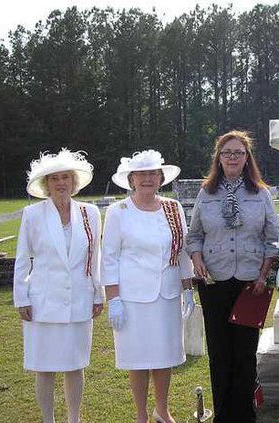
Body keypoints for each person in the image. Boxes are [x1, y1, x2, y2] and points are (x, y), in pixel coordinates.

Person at [186, 130, 279, 423]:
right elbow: (194, 236)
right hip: (214, 281)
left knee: (245, 354)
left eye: (238, 153)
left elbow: (272, 239)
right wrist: (197, 259)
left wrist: (264, 275)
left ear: (246, 158)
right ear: (219, 157)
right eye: (227, 152)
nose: (232, 158)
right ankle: (223, 416)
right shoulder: (206, 193)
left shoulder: (260, 193)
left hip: (251, 283)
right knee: (219, 353)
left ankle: (244, 415)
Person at [101, 150, 195, 423]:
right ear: (131, 179)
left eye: (153, 173)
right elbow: (109, 257)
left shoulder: (172, 208)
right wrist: (114, 299)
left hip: (167, 294)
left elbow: (183, 249)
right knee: (139, 357)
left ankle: (161, 409)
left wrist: (187, 287)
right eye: (141, 174)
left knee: (163, 355)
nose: (147, 179)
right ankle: (141, 414)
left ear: (160, 178)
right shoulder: (118, 212)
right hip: (132, 297)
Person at [13, 149, 104, 423]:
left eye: (66, 177)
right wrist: (21, 298)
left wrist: (98, 294)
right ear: (46, 184)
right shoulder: (33, 214)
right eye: (55, 179)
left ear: (74, 182)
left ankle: (73, 419)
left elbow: (95, 257)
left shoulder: (90, 213)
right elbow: (22, 258)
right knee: (45, 367)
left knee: (75, 365)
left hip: (80, 299)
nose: (61, 183)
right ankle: (48, 419)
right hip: (43, 301)